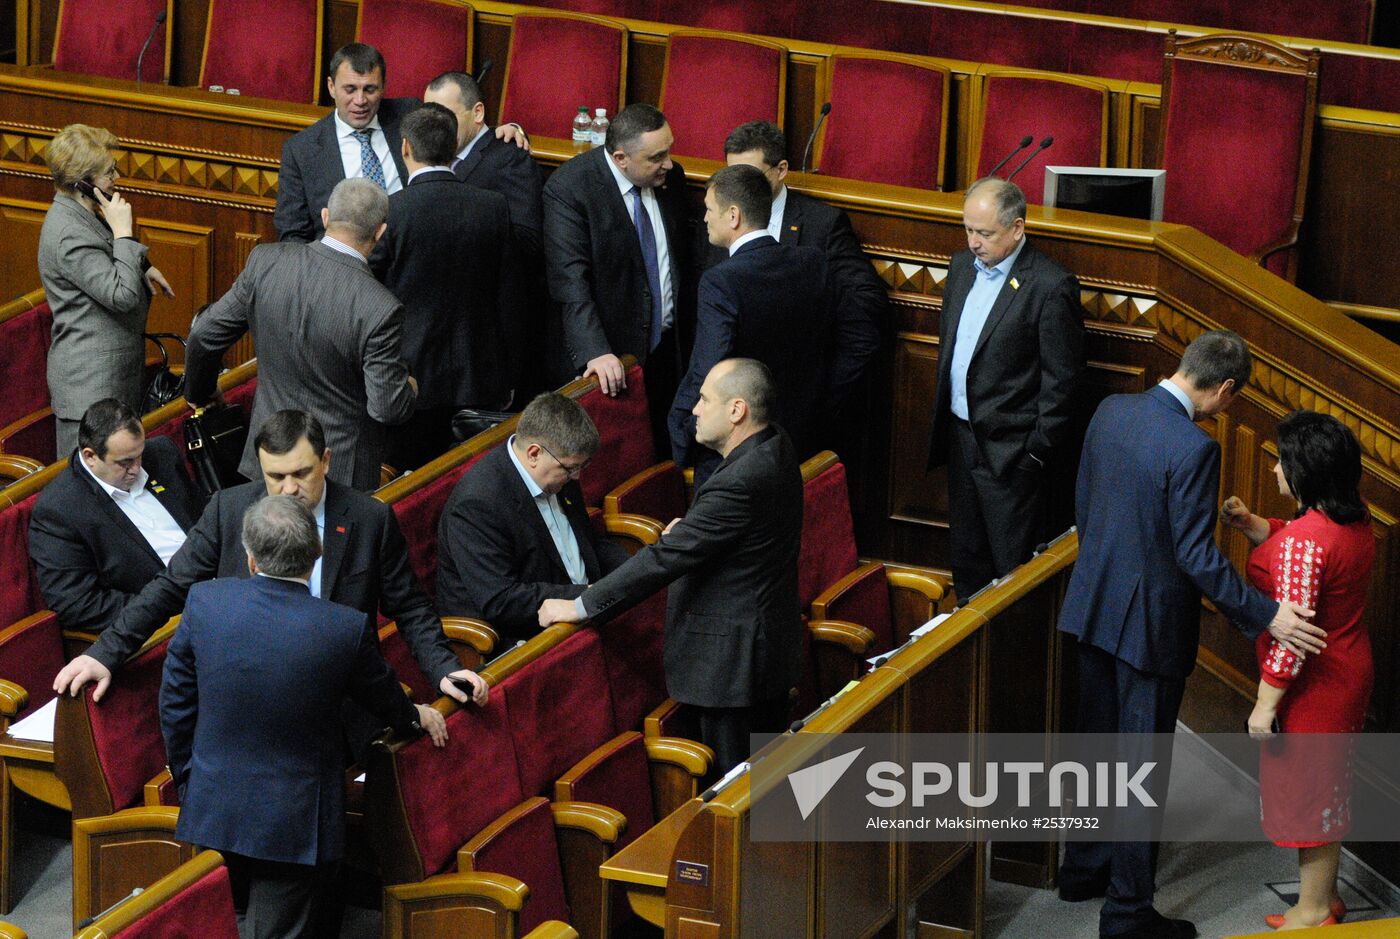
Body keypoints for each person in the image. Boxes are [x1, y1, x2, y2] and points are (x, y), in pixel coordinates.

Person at [1057, 330, 1325, 939]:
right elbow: (1197, 558)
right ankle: (1126, 913)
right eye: (1232, 400)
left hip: (1091, 602)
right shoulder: (1195, 448)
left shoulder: (1111, 410)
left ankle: (1082, 869)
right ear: (1225, 388)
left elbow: (1085, 501)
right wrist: (1265, 613)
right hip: (1149, 627)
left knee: (1095, 747)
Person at [54, 410, 487, 714]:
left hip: (343, 700)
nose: (289, 489)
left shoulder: (368, 519)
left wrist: (444, 669)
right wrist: (106, 652)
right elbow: (170, 588)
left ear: (326, 461)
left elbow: (409, 607)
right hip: (250, 699)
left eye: (301, 474)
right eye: (275, 476)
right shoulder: (228, 511)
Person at [161, 494, 450, 939]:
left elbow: (176, 703)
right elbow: (385, 699)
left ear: (250, 557)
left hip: (214, 801)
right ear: (316, 557)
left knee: (226, 922)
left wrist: (189, 780)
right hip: (293, 821)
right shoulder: (342, 627)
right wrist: (416, 717)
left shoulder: (204, 602)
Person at [538, 359, 802, 773]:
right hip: (762, 651)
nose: (694, 409)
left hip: (732, 670)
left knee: (736, 794)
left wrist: (581, 606)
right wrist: (696, 529)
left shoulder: (741, 480)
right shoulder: (775, 445)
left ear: (736, 411)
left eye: (704, 399)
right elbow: (736, 534)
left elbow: (663, 560)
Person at [1221, 410, 1373, 931]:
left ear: (1303, 471)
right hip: (1349, 669)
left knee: (1308, 796)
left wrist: (1264, 708)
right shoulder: (1354, 517)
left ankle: (1310, 913)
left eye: (1282, 462)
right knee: (1328, 789)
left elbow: (1291, 639)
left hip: (1312, 684)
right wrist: (1257, 527)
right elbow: (1309, 538)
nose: (1273, 471)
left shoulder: (1304, 545)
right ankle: (1324, 897)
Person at [185, 177, 417, 491]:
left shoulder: (265, 262)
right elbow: (387, 407)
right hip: (337, 478)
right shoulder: (381, 308)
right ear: (380, 232)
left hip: (268, 463)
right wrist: (409, 388)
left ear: (325, 217)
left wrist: (200, 392)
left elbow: (203, 335)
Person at [926, 176, 1083, 602]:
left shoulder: (1050, 286)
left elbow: (1063, 383)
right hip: (961, 440)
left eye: (985, 233)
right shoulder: (960, 268)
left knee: (1012, 575)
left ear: (1017, 229)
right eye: (969, 230)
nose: (974, 242)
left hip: (1014, 456)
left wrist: (1034, 453)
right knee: (967, 558)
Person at [542, 103, 695, 448]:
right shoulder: (570, 190)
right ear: (622, 158)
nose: (668, 164)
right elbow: (570, 283)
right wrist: (594, 351)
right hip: (613, 360)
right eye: (656, 157)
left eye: (669, 151)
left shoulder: (672, 179)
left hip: (669, 353)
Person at [371, 102, 512, 470]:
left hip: (409, 378)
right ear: (454, 148)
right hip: (480, 375)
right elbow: (509, 294)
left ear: (405, 147)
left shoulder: (390, 211)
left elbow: (368, 292)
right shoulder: (493, 206)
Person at [669, 164, 829, 485]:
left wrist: (682, 427)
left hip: (736, 449)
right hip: (797, 437)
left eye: (709, 209)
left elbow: (709, 364)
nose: (704, 219)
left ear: (733, 216)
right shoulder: (812, 262)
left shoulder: (721, 281)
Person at [274, 44, 529, 243]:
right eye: (350, 89)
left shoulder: (408, 112)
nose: (360, 100)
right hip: (344, 273)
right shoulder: (302, 150)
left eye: (370, 89)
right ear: (331, 87)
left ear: (384, 87)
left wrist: (503, 130)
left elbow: (456, 123)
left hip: (412, 257)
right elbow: (293, 234)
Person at [720, 120, 885, 420]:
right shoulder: (719, 219)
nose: (738, 188)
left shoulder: (822, 224)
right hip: (730, 399)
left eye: (750, 175)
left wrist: (823, 395)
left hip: (796, 403)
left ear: (781, 169)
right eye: (732, 175)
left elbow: (865, 307)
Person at [437, 393, 629, 645]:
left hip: (578, 613)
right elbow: (500, 600)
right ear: (534, 453)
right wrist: (588, 596)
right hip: (521, 638)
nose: (576, 478)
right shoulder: (477, 504)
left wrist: (634, 572)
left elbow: (586, 543)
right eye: (571, 469)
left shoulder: (559, 469)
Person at [38, 123, 174, 454]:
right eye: (107, 173)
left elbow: (105, 253)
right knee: (88, 494)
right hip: (89, 388)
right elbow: (121, 295)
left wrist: (143, 265)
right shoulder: (68, 232)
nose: (115, 178)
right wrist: (125, 233)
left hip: (112, 379)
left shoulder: (84, 213)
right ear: (81, 181)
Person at [29, 399, 203, 634]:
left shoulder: (161, 453)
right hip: (169, 624)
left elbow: (204, 519)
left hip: (218, 584)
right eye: (125, 462)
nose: (137, 468)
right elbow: (77, 605)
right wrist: (166, 607)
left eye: (139, 455)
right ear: (90, 456)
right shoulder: (59, 510)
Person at [425, 70, 545, 400]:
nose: (436, 125)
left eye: (445, 116)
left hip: (482, 336)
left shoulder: (509, 159)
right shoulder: (429, 151)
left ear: (477, 113)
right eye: (429, 115)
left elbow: (528, 242)